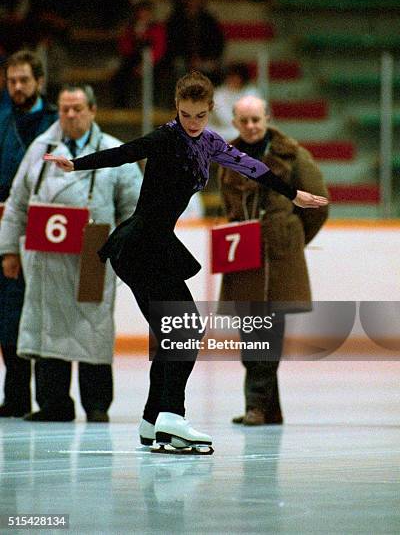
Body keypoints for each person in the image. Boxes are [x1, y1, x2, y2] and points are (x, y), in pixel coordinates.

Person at [43, 71, 328, 451]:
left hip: (153, 245)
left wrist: (293, 194)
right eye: (185, 115)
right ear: (177, 109)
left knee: (172, 333)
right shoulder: (166, 137)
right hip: (141, 245)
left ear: (210, 111)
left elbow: (253, 168)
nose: (192, 123)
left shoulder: (210, 143)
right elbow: (125, 152)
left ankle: (152, 420)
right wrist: (76, 164)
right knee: (185, 329)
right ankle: (172, 418)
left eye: (199, 116)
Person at [0, 85, 142, 422]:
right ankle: (54, 404)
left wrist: (124, 248)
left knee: (92, 327)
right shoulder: (40, 149)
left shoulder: (113, 151)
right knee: (49, 327)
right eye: (64, 109)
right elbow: (18, 203)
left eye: (77, 109)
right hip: (46, 254)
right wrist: (8, 250)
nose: (70, 115)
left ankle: (96, 405)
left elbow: (135, 208)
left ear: (92, 110)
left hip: (93, 251)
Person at [218, 95, 329, 426]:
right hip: (244, 255)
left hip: (279, 260)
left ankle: (255, 405)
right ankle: (270, 409)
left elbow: (319, 206)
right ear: (235, 123)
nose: (251, 127)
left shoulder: (293, 156)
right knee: (253, 332)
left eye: (257, 120)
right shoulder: (227, 157)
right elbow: (230, 206)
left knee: (266, 335)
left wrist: (290, 238)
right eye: (244, 121)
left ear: (267, 118)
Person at [0, 50, 58, 418]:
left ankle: (52, 399)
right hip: (6, 231)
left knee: (44, 317)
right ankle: (16, 396)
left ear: (39, 81)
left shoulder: (56, 123)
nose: (18, 87)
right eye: (12, 81)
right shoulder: (2, 120)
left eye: (24, 80)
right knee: (8, 316)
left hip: (47, 232)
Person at [210, 63, 261, 141]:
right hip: (223, 129)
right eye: (231, 77)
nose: (233, 80)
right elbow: (224, 118)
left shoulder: (252, 92)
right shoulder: (219, 94)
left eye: (236, 77)